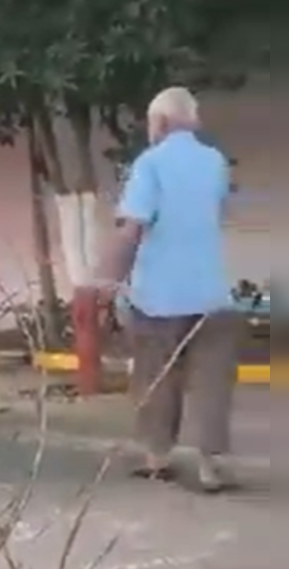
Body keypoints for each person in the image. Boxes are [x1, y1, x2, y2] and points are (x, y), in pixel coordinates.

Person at [95, 87, 239, 492]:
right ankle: (211, 466)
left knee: (156, 377)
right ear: (193, 120)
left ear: (158, 122)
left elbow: (132, 228)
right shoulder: (215, 162)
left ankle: (158, 459)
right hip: (212, 291)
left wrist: (108, 279)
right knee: (211, 381)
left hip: (159, 295)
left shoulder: (150, 163)